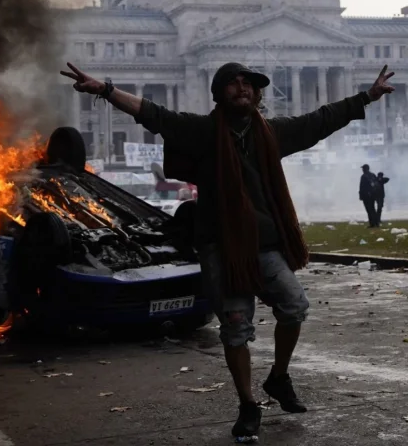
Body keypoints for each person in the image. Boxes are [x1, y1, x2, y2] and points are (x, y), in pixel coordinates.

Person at [60, 61, 394, 442]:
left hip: (264, 244)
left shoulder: (272, 133)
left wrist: (367, 96)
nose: (243, 89)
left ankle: (279, 377)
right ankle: (248, 404)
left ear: (257, 93)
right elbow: (153, 114)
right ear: (219, 94)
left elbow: (322, 119)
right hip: (220, 246)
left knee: (294, 306)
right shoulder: (202, 132)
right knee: (236, 329)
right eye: (234, 84)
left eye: (248, 84)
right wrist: (104, 89)